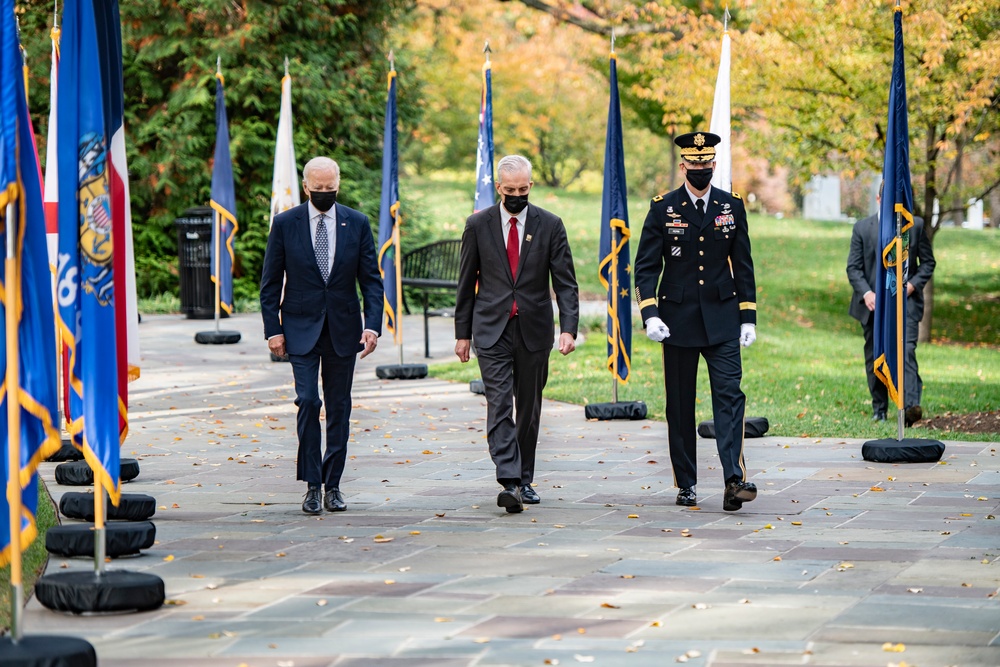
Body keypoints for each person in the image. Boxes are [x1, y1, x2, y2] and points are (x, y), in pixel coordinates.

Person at [633, 131, 758, 512]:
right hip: (678, 320)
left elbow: (744, 264)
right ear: (683, 165)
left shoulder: (730, 205)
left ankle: (733, 480)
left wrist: (747, 317)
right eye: (694, 164)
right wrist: (650, 313)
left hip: (722, 318)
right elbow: (645, 267)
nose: (701, 169)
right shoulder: (663, 208)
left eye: (707, 164)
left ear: (714, 165)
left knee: (730, 397)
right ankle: (685, 483)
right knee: (680, 406)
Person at [455, 154, 580, 514]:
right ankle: (508, 479)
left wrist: (568, 328)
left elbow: (566, 283)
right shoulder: (477, 225)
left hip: (534, 329)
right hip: (490, 328)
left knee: (528, 407)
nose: (517, 195)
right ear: (498, 187)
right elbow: (465, 284)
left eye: (523, 189)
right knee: (499, 404)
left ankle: (525, 478)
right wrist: (462, 334)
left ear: (531, 186)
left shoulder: (550, 224)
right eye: (510, 190)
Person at [260, 156, 383, 514]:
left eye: (331, 189)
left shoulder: (356, 223)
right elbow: (270, 283)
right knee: (309, 402)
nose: (325, 194)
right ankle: (312, 484)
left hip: (344, 329)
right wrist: (273, 330)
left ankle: (333, 485)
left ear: (338, 185)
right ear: (306, 187)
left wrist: (372, 325)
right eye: (319, 190)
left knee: (339, 408)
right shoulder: (285, 224)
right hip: (299, 328)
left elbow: (371, 281)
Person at [847, 181, 935, 425]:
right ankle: (880, 408)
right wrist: (866, 293)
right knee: (876, 355)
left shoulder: (915, 226)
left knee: (906, 350)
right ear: (878, 200)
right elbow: (853, 268)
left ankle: (910, 407)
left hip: (905, 303)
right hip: (874, 305)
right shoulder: (862, 228)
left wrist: (914, 284)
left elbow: (928, 263)